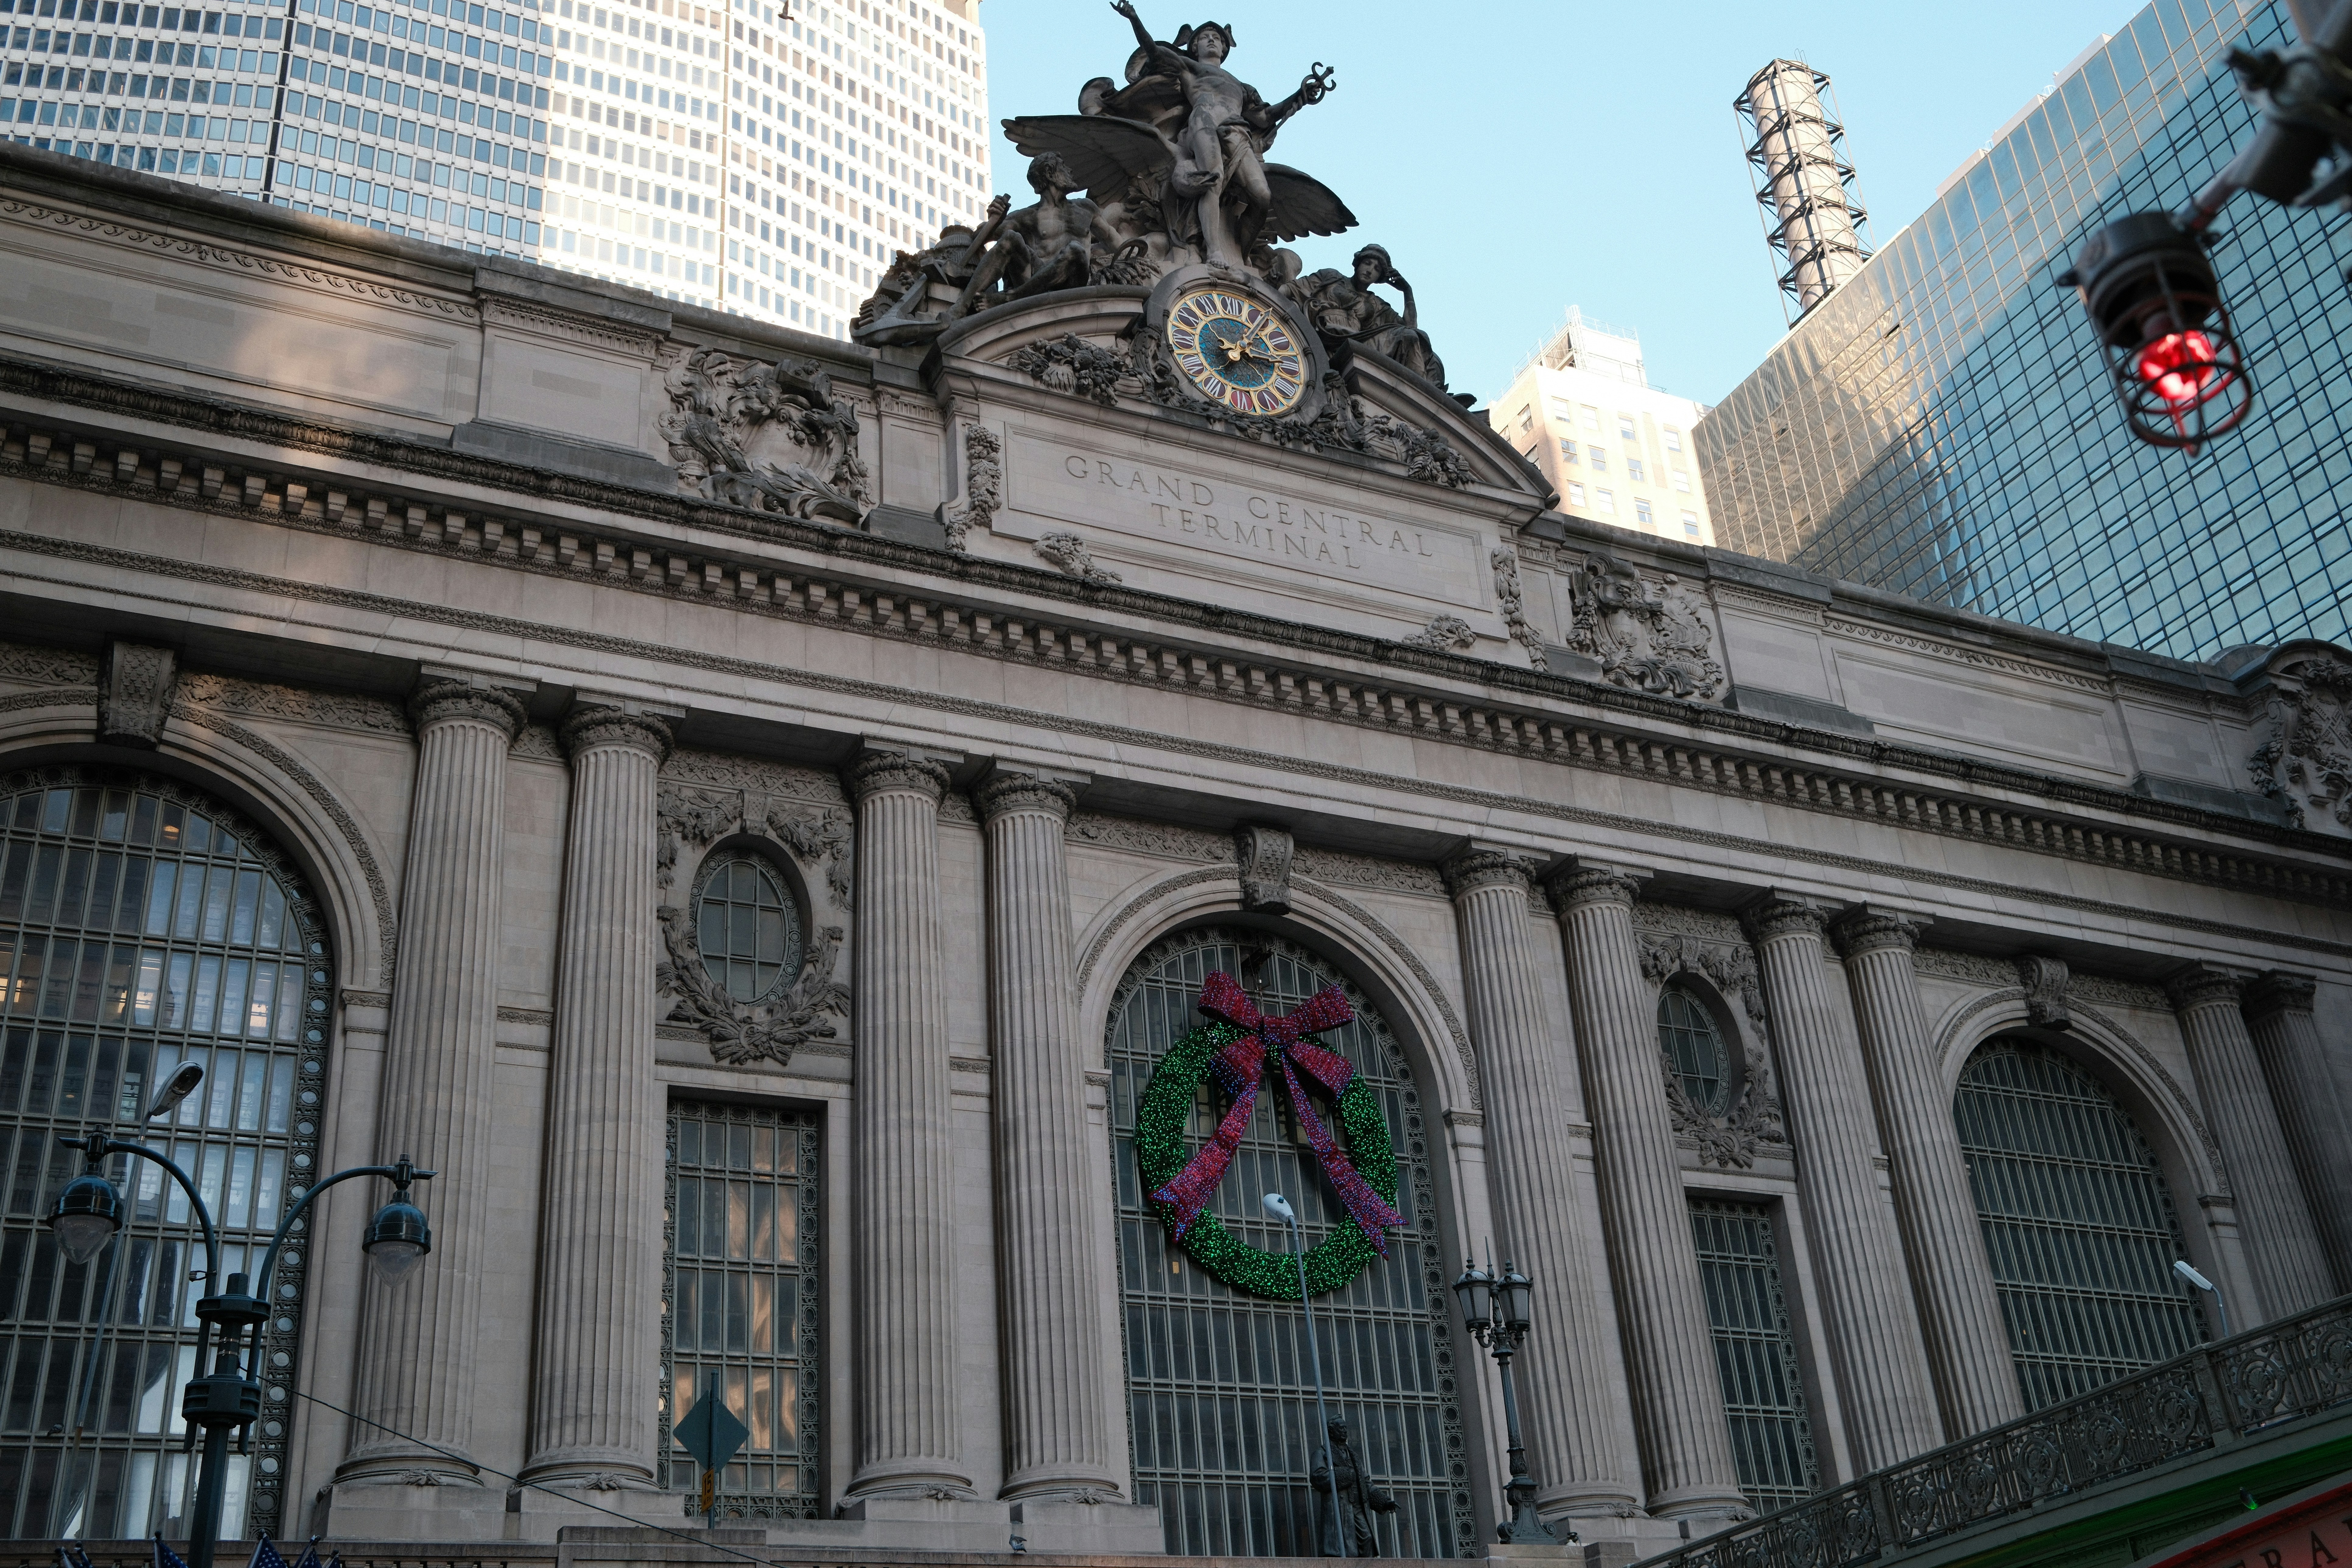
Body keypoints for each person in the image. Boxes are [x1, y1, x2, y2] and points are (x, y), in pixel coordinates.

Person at [1108, 2, 1333, 268]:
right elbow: (1155, 53)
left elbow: (1265, 116)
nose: (1212, 41)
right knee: (1212, 178)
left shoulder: (1241, 86)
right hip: (1203, 122)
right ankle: (1215, 250)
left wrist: (1299, 96)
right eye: (1205, 38)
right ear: (1195, 47)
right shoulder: (1189, 67)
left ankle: (1242, 252)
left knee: (1262, 196)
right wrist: (1134, 19)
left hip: (1238, 132)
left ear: (1225, 49)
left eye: (1217, 39)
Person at [1309, 1414, 1398, 1558]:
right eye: (1341, 1428)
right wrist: (1344, 1475)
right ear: (1332, 1432)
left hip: (1358, 1507)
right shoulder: (1322, 1454)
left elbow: (1367, 1483)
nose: (1345, 1431)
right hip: (1341, 1508)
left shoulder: (1354, 1456)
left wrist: (1384, 1502)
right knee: (1346, 1546)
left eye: (1346, 1428)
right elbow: (1318, 1477)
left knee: (1367, 1538)